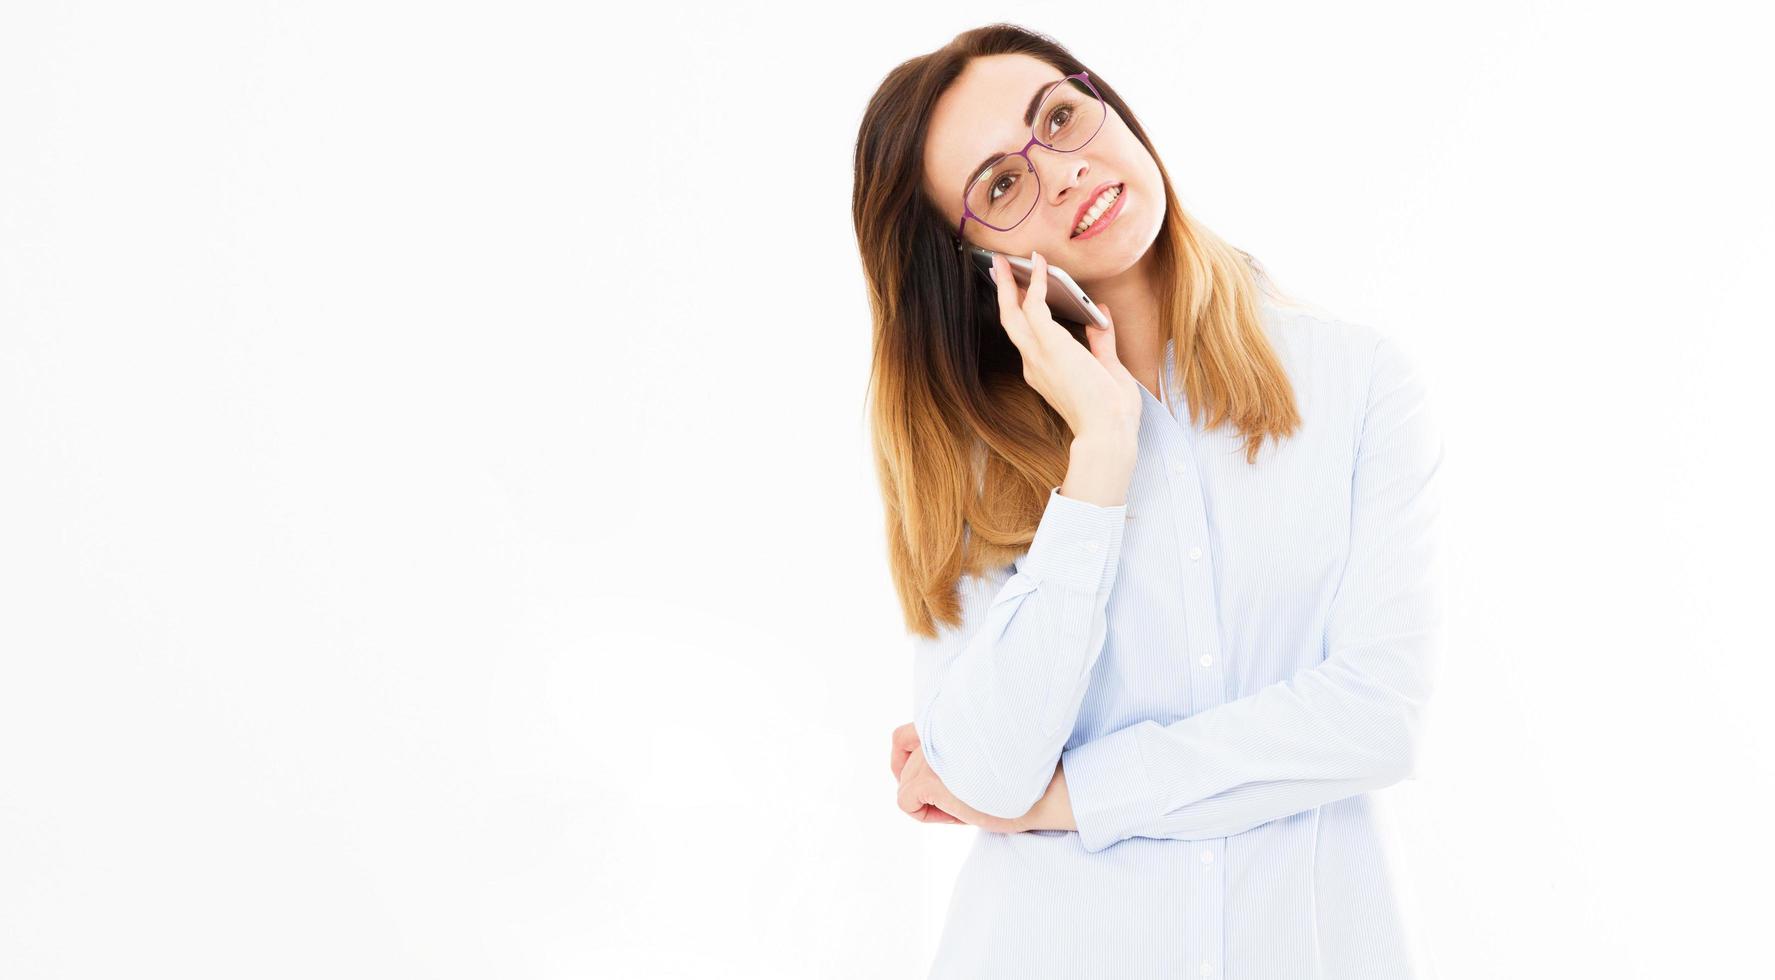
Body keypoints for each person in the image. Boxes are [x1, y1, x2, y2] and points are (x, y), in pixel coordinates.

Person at [851, 23, 1449, 980]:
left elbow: (1375, 717)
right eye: (1000, 185)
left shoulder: (1356, 383)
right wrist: (1099, 454)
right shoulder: (964, 458)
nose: (1061, 174)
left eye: (1059, 117)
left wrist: (1066, 799)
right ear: (967, 262)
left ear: (1109, 106)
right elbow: (984, 770)